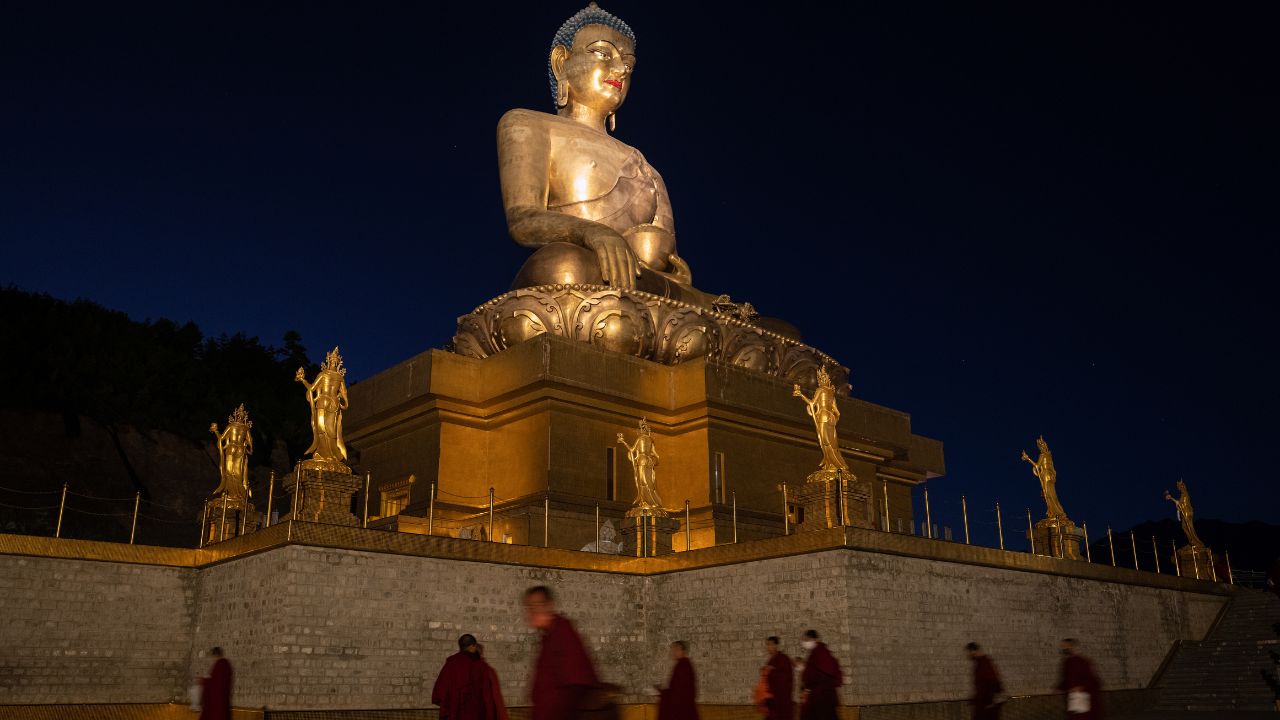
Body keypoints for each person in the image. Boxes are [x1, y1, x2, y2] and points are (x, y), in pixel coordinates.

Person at [524, 585, 607, 720]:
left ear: (549, 606)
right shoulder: (548, 636)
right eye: (530, 608)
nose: (533, 612)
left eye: (537, 606)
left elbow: (576, 682)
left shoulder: (563, 632)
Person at [432, 633, 508, 720]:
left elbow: (440, 691)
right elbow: (488, 695)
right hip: (476, 714)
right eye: (475, 646)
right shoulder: (481, 666)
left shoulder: (451, 664)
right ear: (472, 646)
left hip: (454, 712)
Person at [798, 630, 842, 720]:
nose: (805, 642)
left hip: (822, 696)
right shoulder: (815, 653)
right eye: (804, 640)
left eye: (807, 639)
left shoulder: (821, 652)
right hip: (819, 695)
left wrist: (808, 684)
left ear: (815, 639)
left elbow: (826, 672)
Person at [1056, 639, 1102, 719]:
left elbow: (1093, 680)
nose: (1064, 649)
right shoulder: (1067, 662)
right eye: (1062, 647)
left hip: (1084, 697)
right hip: (1074, 697)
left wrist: (1081, 687)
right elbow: (1066, 679)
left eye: (1065, 646)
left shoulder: (1083, 661)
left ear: (1072, 647)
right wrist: (1059, 688)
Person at [656, 640, 698, 720]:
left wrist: (663, 693)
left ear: (681, 651)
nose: (673, 652)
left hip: (682, 709)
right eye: (673, 650)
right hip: (683, 707)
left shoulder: (684, 666)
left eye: (675, 649)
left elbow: (681, 691)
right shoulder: (682, 665)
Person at [757, 636, 793, 720]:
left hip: (781, 696)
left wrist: (772, 672)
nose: (768, 647)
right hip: (772, 695)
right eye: (767, 645)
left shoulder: (784, 658)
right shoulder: (771, 660)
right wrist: (765, 670)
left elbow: (786, 676)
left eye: (771, 644)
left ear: (776, 645)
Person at [966, 642, 1004, 720]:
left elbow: (991, 681)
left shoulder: (983, 663)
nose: (968, 655)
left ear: (973, 651)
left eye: (968, 652)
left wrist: (988, 702)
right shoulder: (982, 662)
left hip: (986, 705)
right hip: (985, 704)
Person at [199, 647, 233, 720]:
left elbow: (216, 683)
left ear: (215, 655)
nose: (212, 659)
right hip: (223, 700)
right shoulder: (226, 664)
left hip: (217, 702)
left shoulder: (220, 664)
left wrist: (205, 681)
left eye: (212, 656)